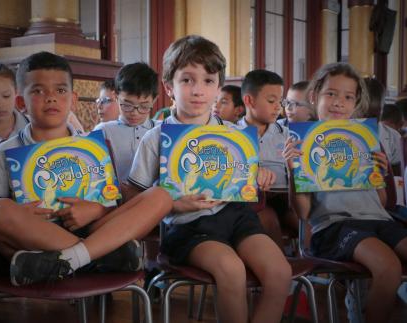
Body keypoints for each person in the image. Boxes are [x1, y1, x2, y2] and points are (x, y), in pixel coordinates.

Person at [128, 35, 292, 323]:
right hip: (187, 229)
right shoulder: (156, 137)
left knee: (280, 272)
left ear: (218, 88)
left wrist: (259, 175)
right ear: (169, 87)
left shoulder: (235, 135)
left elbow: (243, 177)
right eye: (187, 80)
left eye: (208, 80)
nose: (198, 90)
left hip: (237, 217)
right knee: (231, 269)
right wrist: (174, 205)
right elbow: (133, 197)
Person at [0, 51, 172, 286]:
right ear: (21, 103)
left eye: (60, 91)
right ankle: (98, 257)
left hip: (93, 231)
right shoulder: (6, 150)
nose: (50, 98)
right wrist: (21, 214)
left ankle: (71, 260)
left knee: (161, 195)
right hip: (37, 240)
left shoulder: (93, 145)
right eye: (38, 91)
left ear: (73, 99)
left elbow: (111, 202)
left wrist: (97, 211)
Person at [284, 62, 407, 323]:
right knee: (388, 267)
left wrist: (380, 176)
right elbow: (303, 212)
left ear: (356, 103)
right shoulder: (301, 143)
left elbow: (382, 204)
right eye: (331, 94)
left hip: (379, 221)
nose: (339, 102)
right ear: (315, 97)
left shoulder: (366, 140)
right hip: (333, 226)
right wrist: (294, 172)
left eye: (348, 97)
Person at [237, 69, 297, 250]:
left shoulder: (288, 135)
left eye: (280, 101)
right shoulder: (232, 136)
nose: (278, 107)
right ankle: (279, 271)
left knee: (305, 218)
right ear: (249, 100)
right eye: (271, 101)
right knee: (267, 218)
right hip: (250, 201)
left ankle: (317, 271)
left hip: (286, 198)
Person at [94, 62, 158, 182]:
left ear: (154, 100)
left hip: (153, 198)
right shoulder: (103, 131)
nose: (135, 112)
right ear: (116, 97)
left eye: (144, 106)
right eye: (127, 105)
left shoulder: (160, 131)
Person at [364, 77, 402, 176]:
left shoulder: (393, 137)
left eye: (374, 115)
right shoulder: (338, 133)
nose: (369, 121)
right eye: (364, 114)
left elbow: (397, 177)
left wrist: (386, 172)